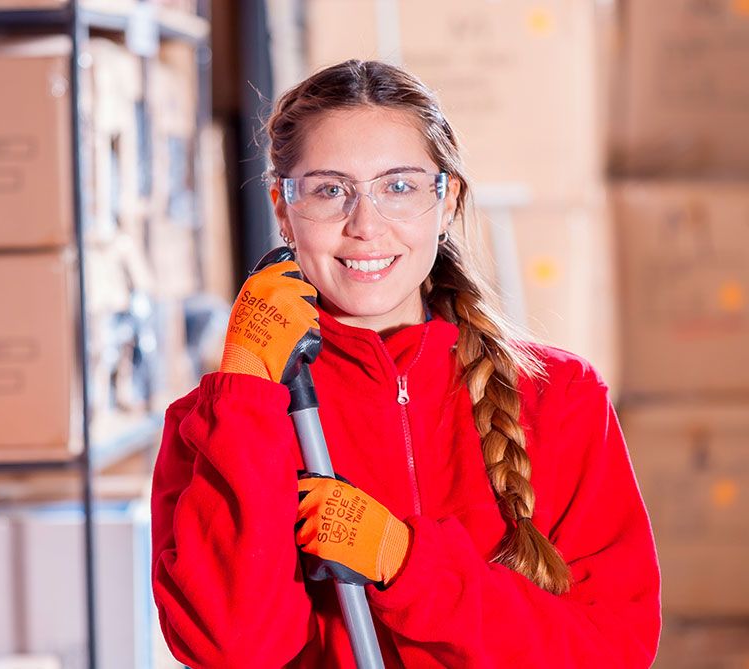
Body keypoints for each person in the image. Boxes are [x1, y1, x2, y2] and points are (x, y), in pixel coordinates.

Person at [150, 60, 661, 668]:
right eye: (329, 189)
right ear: (283, 210)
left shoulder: (560, 396)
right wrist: (245, 393)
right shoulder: (221, 422)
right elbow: (234, 651)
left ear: (447, 203)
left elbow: (613, 651)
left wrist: (406, 562)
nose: (365, 226)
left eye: (398, 186)